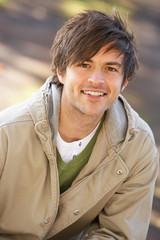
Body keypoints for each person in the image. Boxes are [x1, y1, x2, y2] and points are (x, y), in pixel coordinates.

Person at [0, 10, 159, 240]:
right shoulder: (6, 134)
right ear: (61, 72)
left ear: (125, 82)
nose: (97, 80)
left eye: (110, 68)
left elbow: (117, 235)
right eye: (85, 64)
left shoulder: (138, 147)